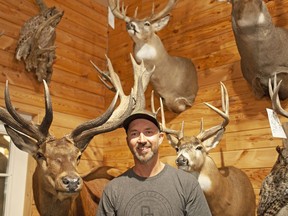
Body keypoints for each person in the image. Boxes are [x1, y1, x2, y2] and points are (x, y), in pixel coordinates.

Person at [97, 110, 212, 216]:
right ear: (127, 141)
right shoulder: (112, 190)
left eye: (148, 132)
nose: (142, 140)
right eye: (134, 133)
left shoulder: (187, 184)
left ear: (161, 138)